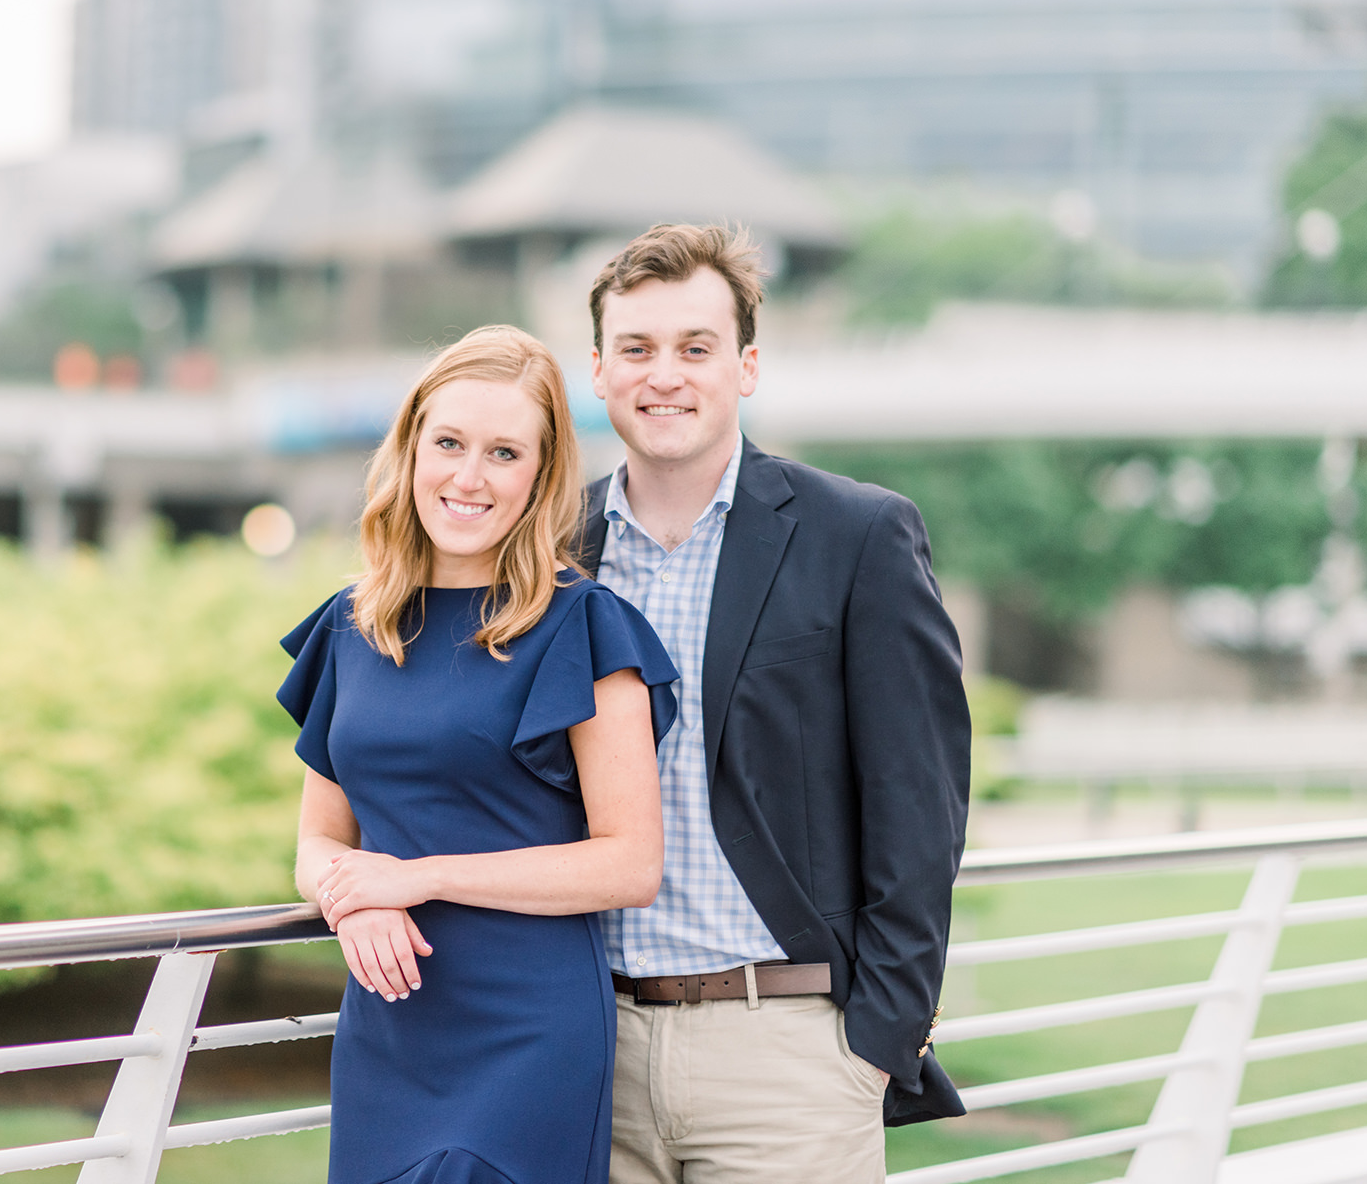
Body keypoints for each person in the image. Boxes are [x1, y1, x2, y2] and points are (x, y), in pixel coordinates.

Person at [581, 225, 971, 1184]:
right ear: (597, 370)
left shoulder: (858, 535)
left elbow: (920, 809)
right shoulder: (551, 549)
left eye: (695, 348)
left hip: (789, 1056)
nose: (663, 374)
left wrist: (878, 1040)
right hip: (589, 1049)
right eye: (636, 349)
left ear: (746, 365)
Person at [279, 324, 681, 1184]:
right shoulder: (353, 626)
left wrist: (417, 878)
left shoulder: (582, 624)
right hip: (389, 1031)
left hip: (528, 1031)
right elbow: (317, 844)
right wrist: (355, 901)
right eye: (449, 443)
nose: (468, 477)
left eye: (504, 453)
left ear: (540, 477)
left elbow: (630, 864)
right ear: (410, 448)